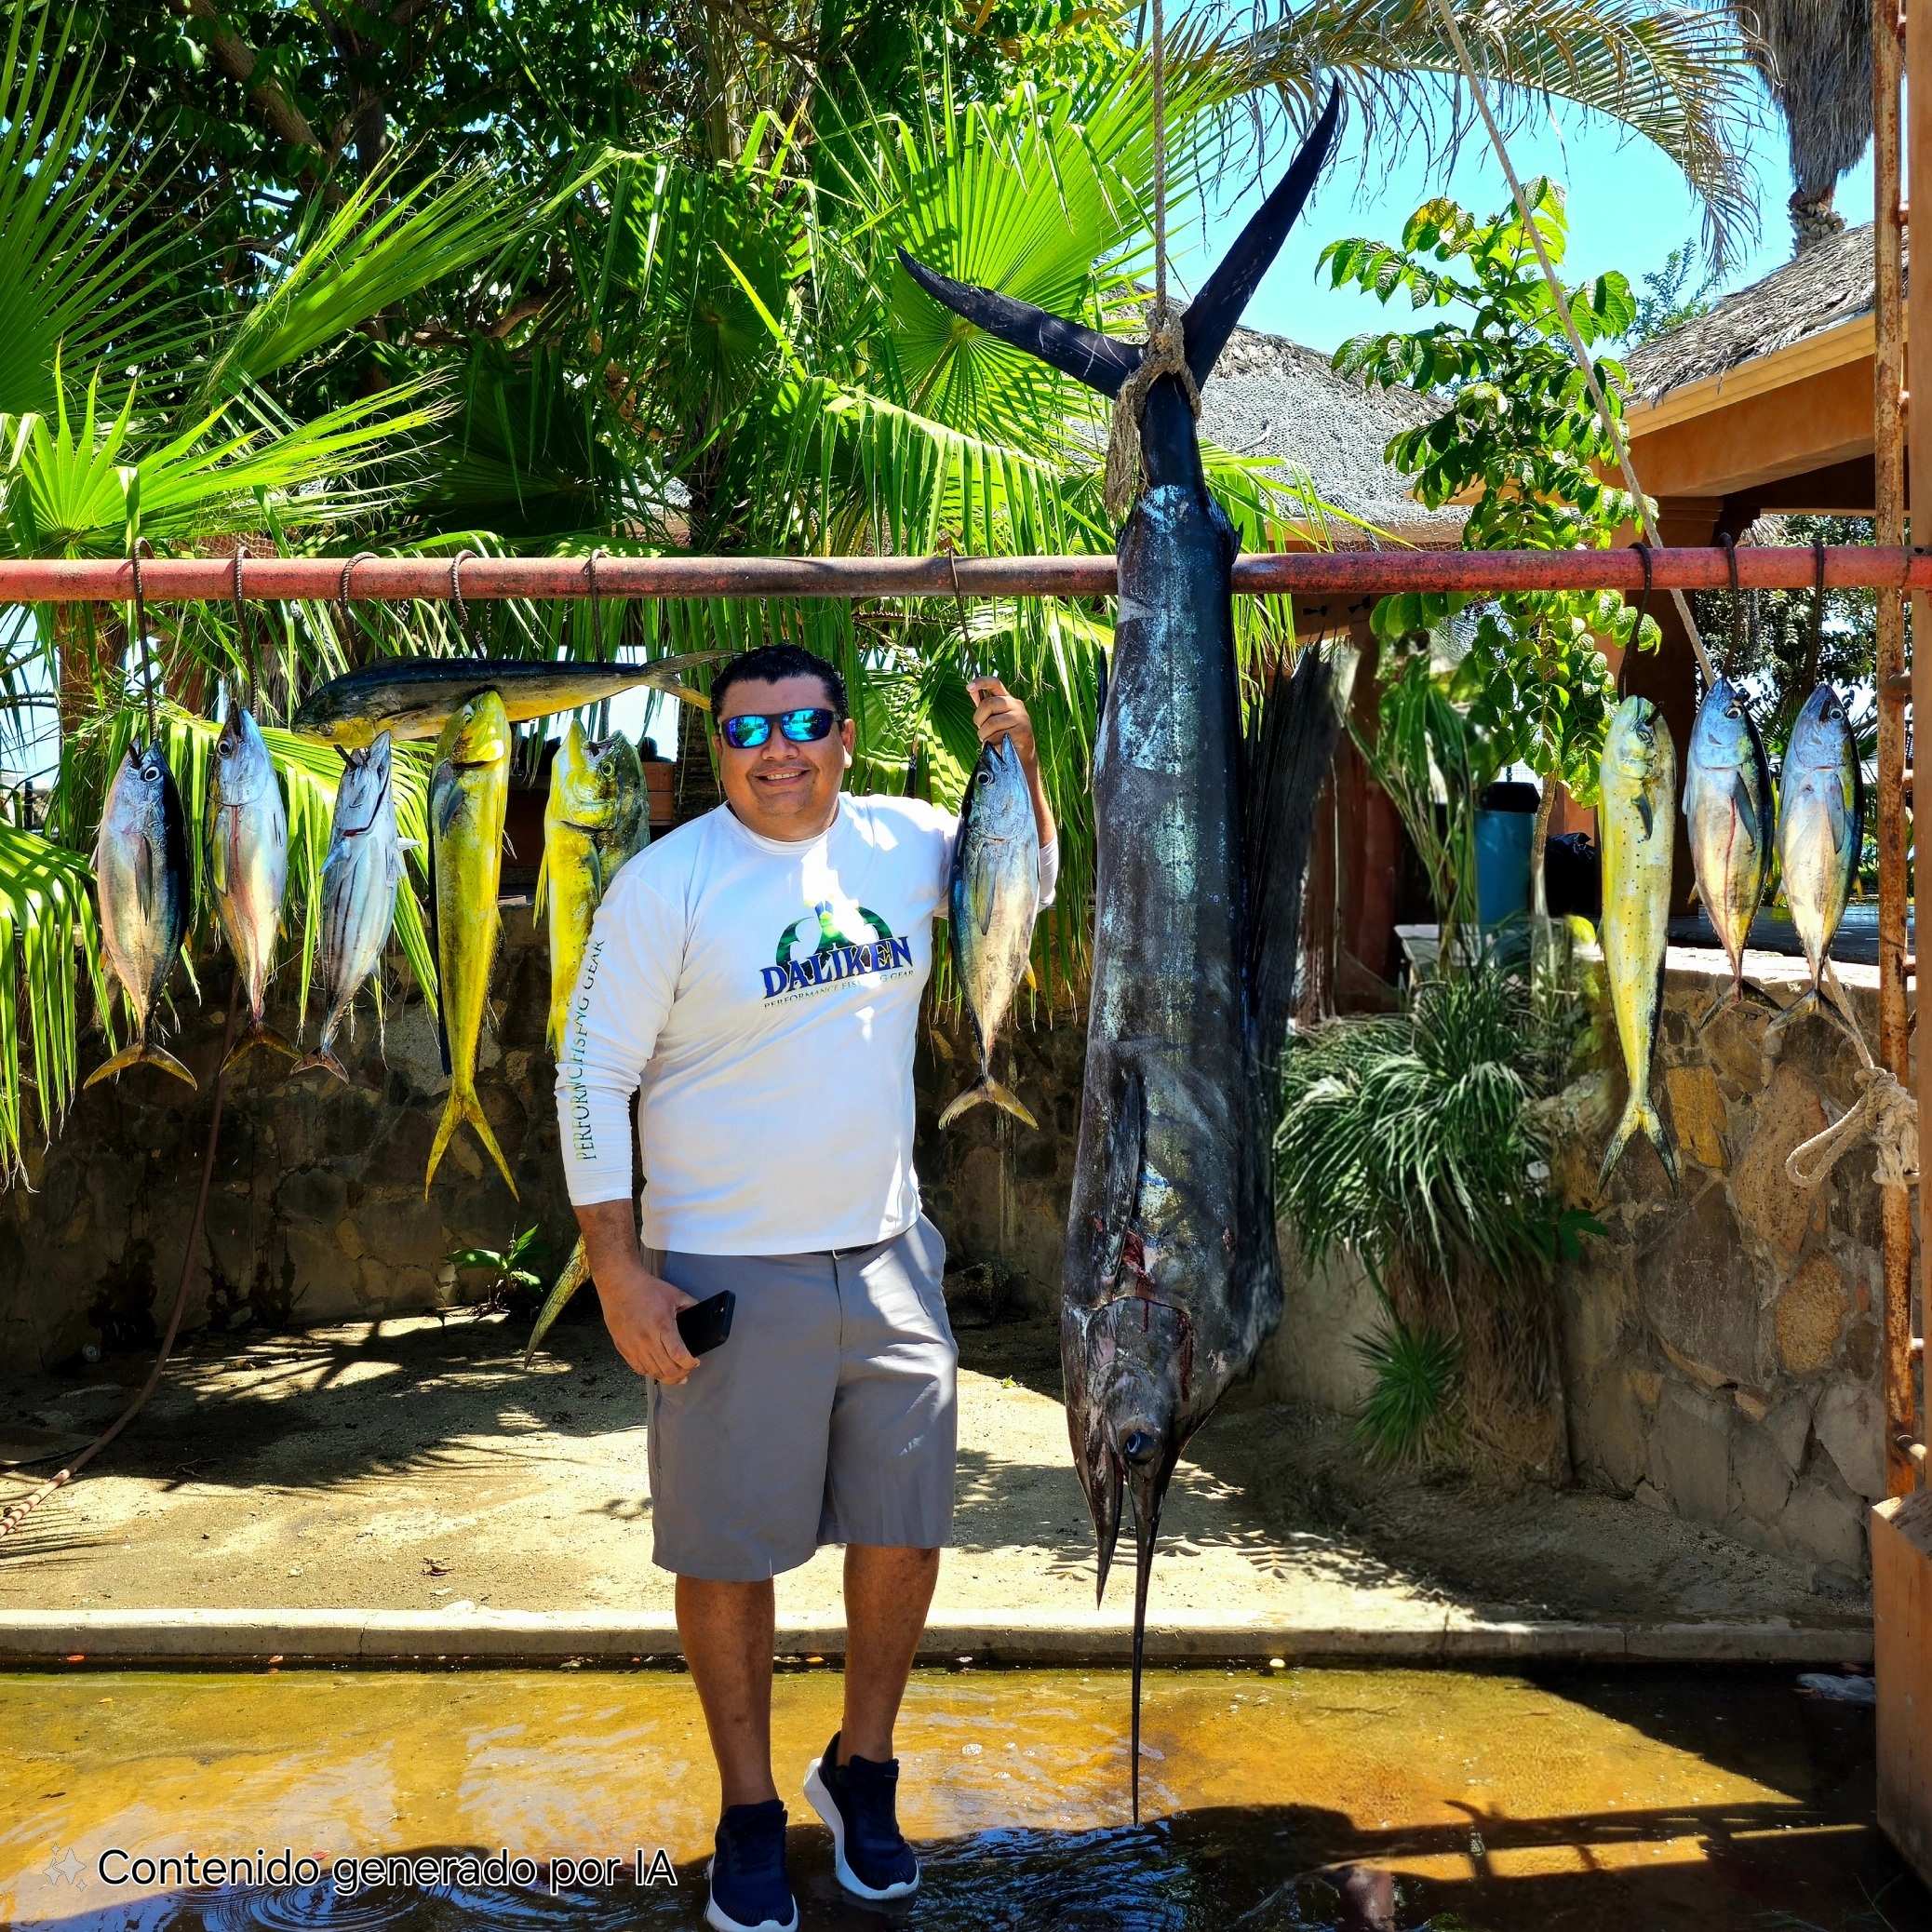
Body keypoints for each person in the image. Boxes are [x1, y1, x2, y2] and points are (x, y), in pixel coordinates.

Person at [556, 642, 1056, 1932]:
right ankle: (746, 1810)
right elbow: (588, 1078)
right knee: (732, 1550)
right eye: (747, 731)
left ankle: (864, 1769)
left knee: (904, 1529)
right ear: (718, 748)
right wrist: (619, 1269)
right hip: (726, 1265)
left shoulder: (908, 841)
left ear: (845, 737)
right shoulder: (666, 886)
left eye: (805, 723)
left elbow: (1026, 883)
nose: (777, 749)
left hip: (890, 1256)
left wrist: (1026, 763)